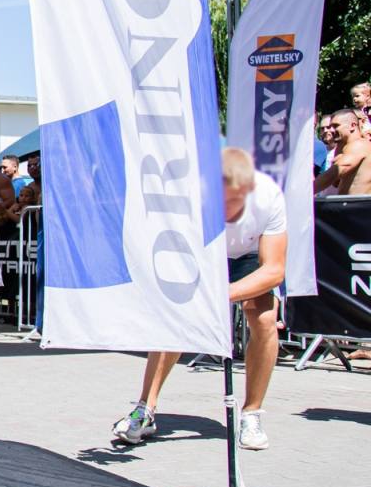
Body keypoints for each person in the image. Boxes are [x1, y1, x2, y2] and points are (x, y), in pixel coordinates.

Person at [112, 149, 287, 450]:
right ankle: (145, 409)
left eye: (234, 201)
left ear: (248, 189)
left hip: (248, 253)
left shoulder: (268, 196)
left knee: (264, 319)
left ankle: (252, 413)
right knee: (176, 320)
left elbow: (274, 270)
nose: (227, 210)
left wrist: (224, 295)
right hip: (203, 250)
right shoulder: (189, 196)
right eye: (221, 201)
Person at [314, 109, 371, 195]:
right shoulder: (346, 148)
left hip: (360, 203)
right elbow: (336, 183)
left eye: (336, 126)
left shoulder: (359, 145)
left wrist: (306, 192)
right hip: (349, 202)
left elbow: (333, 174)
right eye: (331, 126)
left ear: (352, 126)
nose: (331, 130)